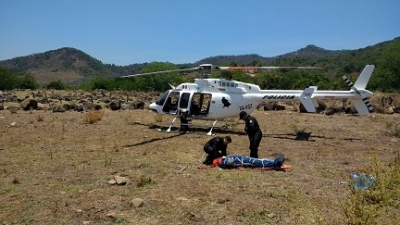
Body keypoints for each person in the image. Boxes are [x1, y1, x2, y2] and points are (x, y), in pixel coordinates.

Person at [212, 154, 285, 169]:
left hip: (245, 160)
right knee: (260, 162)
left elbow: (225, 164)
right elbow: (225, 164)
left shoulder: (227, 159)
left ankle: (277, 161)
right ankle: (277, 162)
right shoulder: (227, 159)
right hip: (245, 160)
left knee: (260, 161)